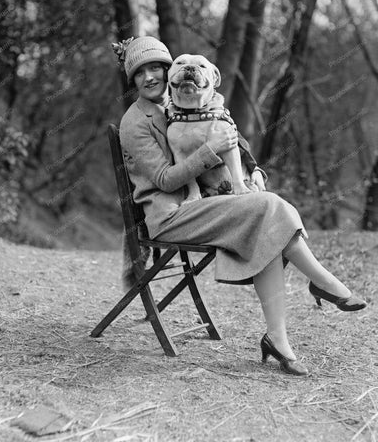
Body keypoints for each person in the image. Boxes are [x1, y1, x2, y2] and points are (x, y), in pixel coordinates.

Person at [114, 36, 367, 376]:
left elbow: (230, 135)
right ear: (132, 81)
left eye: (156, 67)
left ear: (167, 69)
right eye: (140, 73)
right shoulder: (135, 122)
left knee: (267, 222)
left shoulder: (179, 103)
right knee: (267, 210)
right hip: (171, 215)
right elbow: (163, 180)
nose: (150, 77)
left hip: (202, 206)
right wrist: (210, 151)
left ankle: (278, 339)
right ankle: (323, 281)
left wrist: (254, 171)